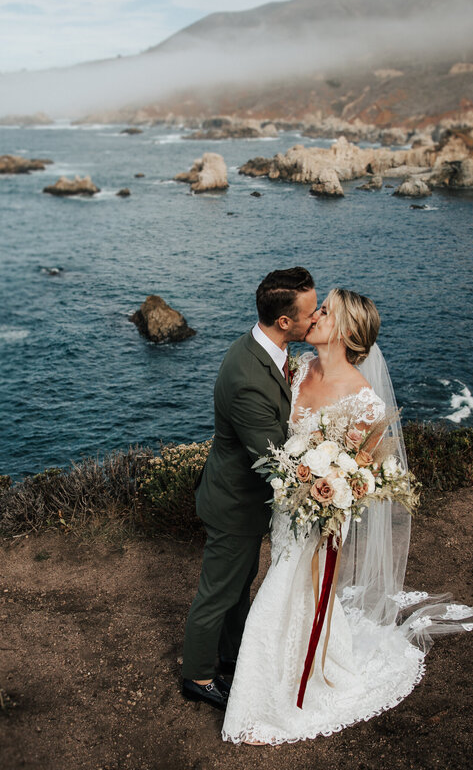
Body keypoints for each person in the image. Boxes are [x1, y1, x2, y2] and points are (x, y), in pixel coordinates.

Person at [221, 288, 473, 745]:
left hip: (322, 513)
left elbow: (363, 473)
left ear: (347, 332)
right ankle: (300, 663)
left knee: (280, 590)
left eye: (326, 311)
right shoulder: (298, 370)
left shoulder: (365, 399)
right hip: (288, 506)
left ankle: (264, 702)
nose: (315, 315)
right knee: (295, 590)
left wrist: (329, 495)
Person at [181, 267, 320, 710]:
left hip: (240, 499)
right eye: (309, 312)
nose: (315, 318)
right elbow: (274, 459)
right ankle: (199, 677)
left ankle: (230, 655)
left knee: (239, 583)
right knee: (219, 591)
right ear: (285, 322)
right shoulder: (246, 378)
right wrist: (328, 480)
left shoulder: (266, 351)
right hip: (234, 504)